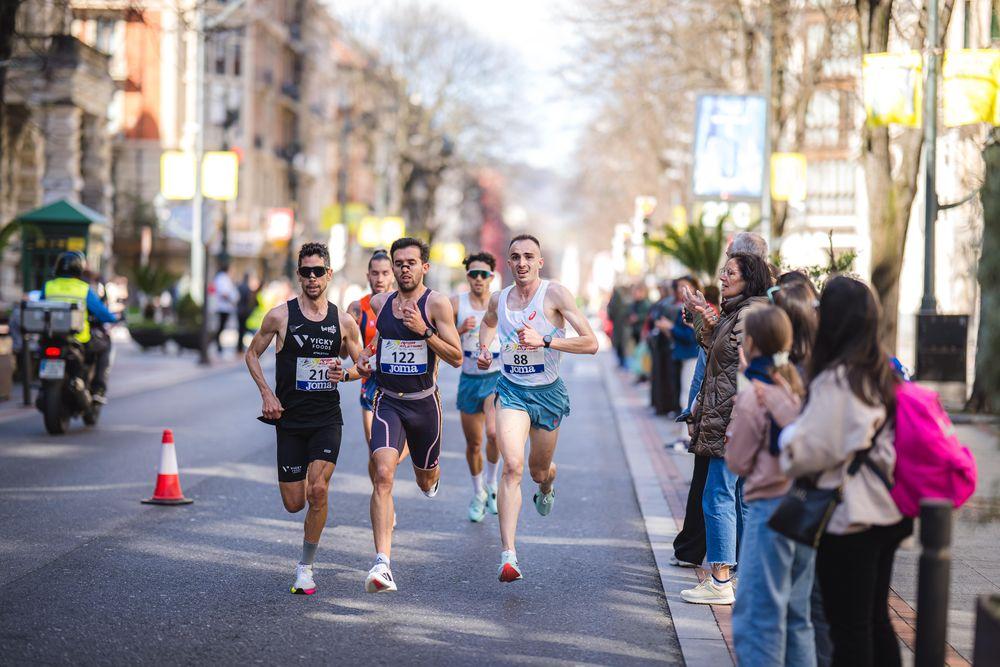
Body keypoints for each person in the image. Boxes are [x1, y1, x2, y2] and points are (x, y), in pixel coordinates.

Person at [760, 276, 908, 667]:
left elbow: (807, 452)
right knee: (876, 621)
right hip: (888, 511)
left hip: (852, 518)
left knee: (850, 628)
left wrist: (788, 426)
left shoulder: (841, 379)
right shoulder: (882, 371)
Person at [476, 234, 599, 582]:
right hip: (511, 391)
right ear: (508, 262)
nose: (522, 263)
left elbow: (591, 343)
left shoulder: (555, 294)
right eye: (515, 257)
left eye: (529, 256)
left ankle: (547, 484)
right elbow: (487, 324)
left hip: (548, 394)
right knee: (511, 466)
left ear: (540, 262)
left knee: (536, 471)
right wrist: (484, 350)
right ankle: (508, 556)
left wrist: (546, 339)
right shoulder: (499, 299)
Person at [244, 242, 363, 596]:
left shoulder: (342, 321)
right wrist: (267, 393)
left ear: (329, 274)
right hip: (290, 420)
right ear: (299, 275)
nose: (312, 278)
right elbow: (252, 354)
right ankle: (305, 552)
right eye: (306, 272)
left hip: (327, 417)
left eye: (318, 271)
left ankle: (306, 569)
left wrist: (346, 374)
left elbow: (363, 365)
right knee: (294, 503)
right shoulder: (280, 316)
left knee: (318, 490)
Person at [355, 237, 463, 594]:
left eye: (410, 262)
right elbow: (380, 343)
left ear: (424, 267)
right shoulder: (380, 302)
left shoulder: (437, 304)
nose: (403, 268)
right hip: (388, 401)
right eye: (398, 262)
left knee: (424, 480)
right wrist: (363, 360)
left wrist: (425, 331)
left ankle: (432, 478)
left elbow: (456, 356)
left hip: (424, 404)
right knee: (383, 473)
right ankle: (382, 563)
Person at [680, 251, 772, 604]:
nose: (723, 277)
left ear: (749, 277)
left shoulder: (749, 315)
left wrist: (737, 420)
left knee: (717, 494)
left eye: (730, 272)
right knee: (739, 497)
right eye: (723, 270)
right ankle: (744, 578)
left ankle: (720, 579)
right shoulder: (740, 312)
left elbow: (747, 370)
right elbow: (715, 350)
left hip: (732, 419)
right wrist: (702, 315)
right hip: (732, 416)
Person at [725, 305, 815, 666]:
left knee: (758, 615)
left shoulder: (755, 395)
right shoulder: (794, 387)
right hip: (802, 506)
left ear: (750, 341)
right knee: (797, 617)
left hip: (769, 510)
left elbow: (737, 461)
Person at [451, 252, 502, 523]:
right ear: (468, 277)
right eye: (473, 274)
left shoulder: (501, 302)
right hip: (469, 379)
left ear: (491, 277)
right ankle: (478, 492)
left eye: (484, 274)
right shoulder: (457, 303)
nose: (479, 279)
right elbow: (434, 334)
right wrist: (459, 330)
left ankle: (492, 485)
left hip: (496, 376)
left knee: (494, 434)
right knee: (474, 443)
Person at [42, 252, 119, 401]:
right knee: (105, 346)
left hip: (50, 336)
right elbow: (101, 312)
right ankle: (98, 390)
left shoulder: (49, 286)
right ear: (79, 269)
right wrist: (113, 318)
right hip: (78, 339)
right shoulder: (83, 289)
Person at [211, 264, 239, 353]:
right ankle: (217, 344)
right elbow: (224, 293)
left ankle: (217, 344)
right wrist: (232, 300)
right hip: (223, 307)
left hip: (225, 307)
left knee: (221, 327)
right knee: (221, 327)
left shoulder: (224, 278)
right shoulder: (222, 278)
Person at [236, 273, 258, 354]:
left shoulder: (239, 286)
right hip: (245, 311)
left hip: (239, 310)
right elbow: (250, 300)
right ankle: (240, 348)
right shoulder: (247, 288)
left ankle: (239, 348)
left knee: (240, 330)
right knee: (243, 329)